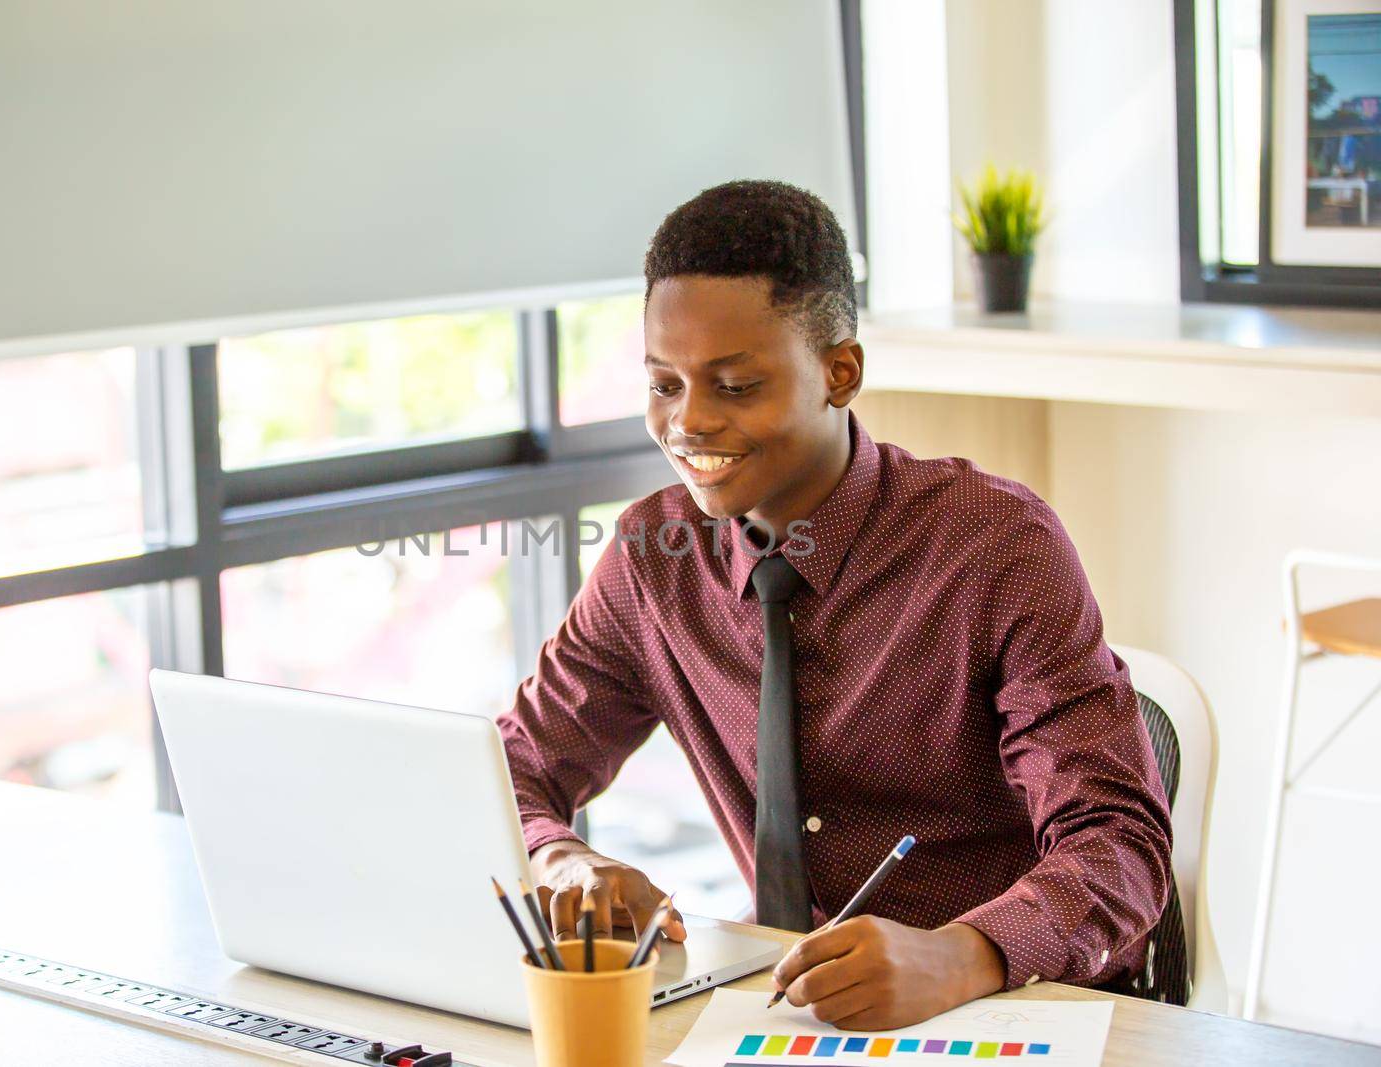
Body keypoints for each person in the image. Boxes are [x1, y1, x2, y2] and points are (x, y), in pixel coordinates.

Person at [495, 179, 1172, 1030]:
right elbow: (507, 772)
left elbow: (1119, 846)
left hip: (1007, 1010)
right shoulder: (651, 559)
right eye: (665, 384)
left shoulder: (996, 546)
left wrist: (962, 953)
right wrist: (560, 861)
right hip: (788, 1016)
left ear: (840, 372)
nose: (688, 422)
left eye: (735, 385)